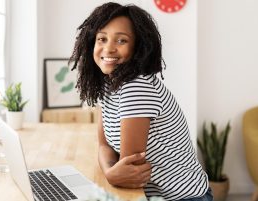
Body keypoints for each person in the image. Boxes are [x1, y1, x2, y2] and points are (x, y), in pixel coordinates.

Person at [69, 2, 212, 201]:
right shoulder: (109, 84)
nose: (108, 48)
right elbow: (104, 146)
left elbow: (130, 169)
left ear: (137, 47)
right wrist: (111, 172)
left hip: (182, 198)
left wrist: (112, 173)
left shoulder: (136, 87)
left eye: (121, 41)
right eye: (102, 38)